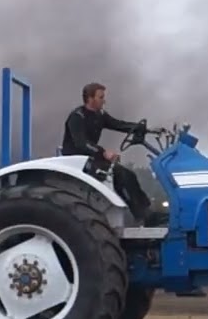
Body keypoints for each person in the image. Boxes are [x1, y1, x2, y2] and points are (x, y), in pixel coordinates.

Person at [61, 82, 154, 222]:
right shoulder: (77, 117)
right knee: (120, 175)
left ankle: (147, 212)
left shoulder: (100, 114)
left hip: (92, 157)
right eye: (101, 97)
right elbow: (81, 143)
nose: (104, 101)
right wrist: (103, 152)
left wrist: (143, 129)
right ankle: (142, 216)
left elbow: (118, 124)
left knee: (129, 175)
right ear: (90, 99)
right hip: (77, 161)